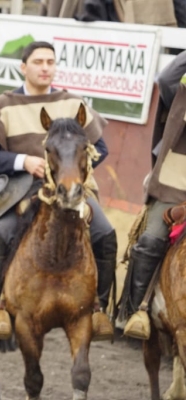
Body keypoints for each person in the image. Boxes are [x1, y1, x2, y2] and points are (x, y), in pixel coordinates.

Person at [0, 41, 117, 342]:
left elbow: (99, 148)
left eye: (50, 62)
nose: (45, 67)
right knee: (1, 231)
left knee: (105, 232)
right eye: (38, 62)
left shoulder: (72, 103)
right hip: (21, 187)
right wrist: (23, 161)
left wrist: (72, 170)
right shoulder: (3, 104)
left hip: (72, 187)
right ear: (23, 68)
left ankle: (98, 308)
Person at [117, 50, 186, 340]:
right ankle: (135, 313)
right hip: (177, 183)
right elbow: (166, 79)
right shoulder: (180, 88)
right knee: (151, 237)